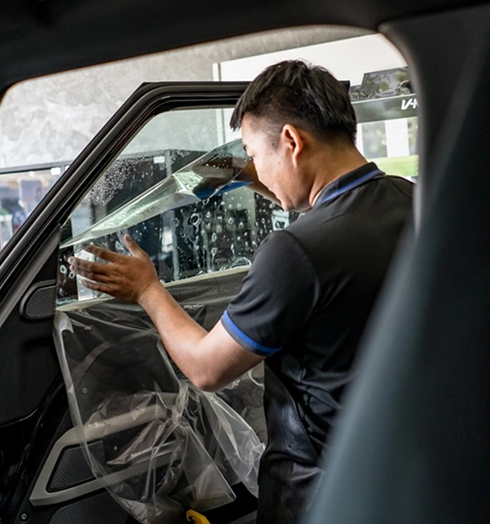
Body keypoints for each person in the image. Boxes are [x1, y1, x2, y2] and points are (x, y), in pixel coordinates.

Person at [68, 60, 414, 523]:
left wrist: (148, 289)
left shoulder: (294, 252)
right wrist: (245, 174)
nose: (254, 167)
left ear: (291, 141)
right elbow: (330, 224)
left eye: (254, 152)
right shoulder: (409, 199)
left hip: (317, 492)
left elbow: (208, 370)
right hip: (396, 472)